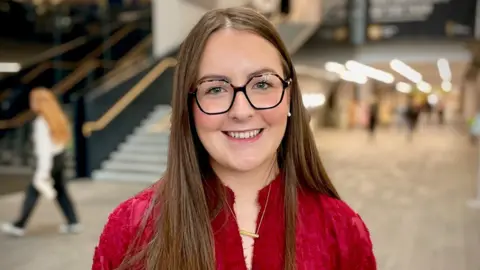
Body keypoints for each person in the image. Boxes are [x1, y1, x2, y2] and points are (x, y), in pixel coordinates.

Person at [92, 7, 376, 270]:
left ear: (289, 97)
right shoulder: (131, 228)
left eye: (262, 84)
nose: (242, 111)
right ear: (189, 106)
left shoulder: (341, 230)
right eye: (215, 89)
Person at [1, 88, 81, 237]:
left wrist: (42, 173)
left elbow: (44, 152)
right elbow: (63, 143)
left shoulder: (41, 122)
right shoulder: (58, 117)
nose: (31, 103)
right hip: (60, 158)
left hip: (49, 161)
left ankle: (19, 225)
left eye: (33, 100)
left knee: (33, 191)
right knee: (61, 191)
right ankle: (73, 222)